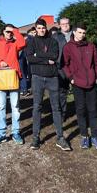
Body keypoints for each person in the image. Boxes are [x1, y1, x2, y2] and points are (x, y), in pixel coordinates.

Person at [26, 19, 71, 151]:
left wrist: (38, 56)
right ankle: (36, 137)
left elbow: (55, 56)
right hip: (37, 77)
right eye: (39, 28)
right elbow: (29, 58)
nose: (41, 30)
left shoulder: (53, 41)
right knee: (37, 106)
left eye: (43, 28)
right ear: (36, 29)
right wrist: (46, 59)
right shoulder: (31, 41)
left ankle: (60, 137)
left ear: (46, 28)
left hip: (52, 78)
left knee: (56, 107)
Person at [62, 24, 97, 152]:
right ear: (74, 32)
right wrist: (71, 78)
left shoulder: (90, 46)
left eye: (84, 33)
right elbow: (64, 64)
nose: (82, 35)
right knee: (80, 110)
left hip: (91, 83)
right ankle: (84, 136)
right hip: (77, 83)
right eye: (80, 32)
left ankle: (95, 137)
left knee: (93, 111)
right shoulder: (68, 47)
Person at [0, 24, 26, 144]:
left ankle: (15, 132)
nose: (9, 33)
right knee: (1, 107)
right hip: (0, 78)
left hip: (13, 77)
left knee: (15, 107)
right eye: (7, 31)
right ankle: (1, 133)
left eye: (11, 32)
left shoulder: (15, 43)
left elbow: (23, 43)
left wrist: (15, 31)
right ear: (3, 32)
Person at [53, 17, 73, 120]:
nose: (65, 25)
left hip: (75, 67)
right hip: (61, 68)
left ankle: (81, 113)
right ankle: (62, 114)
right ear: (59, 25)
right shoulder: (55, 36)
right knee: (62, 92)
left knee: (79, 91)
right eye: (63, 24)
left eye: (67, 23)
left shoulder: (75, 34)